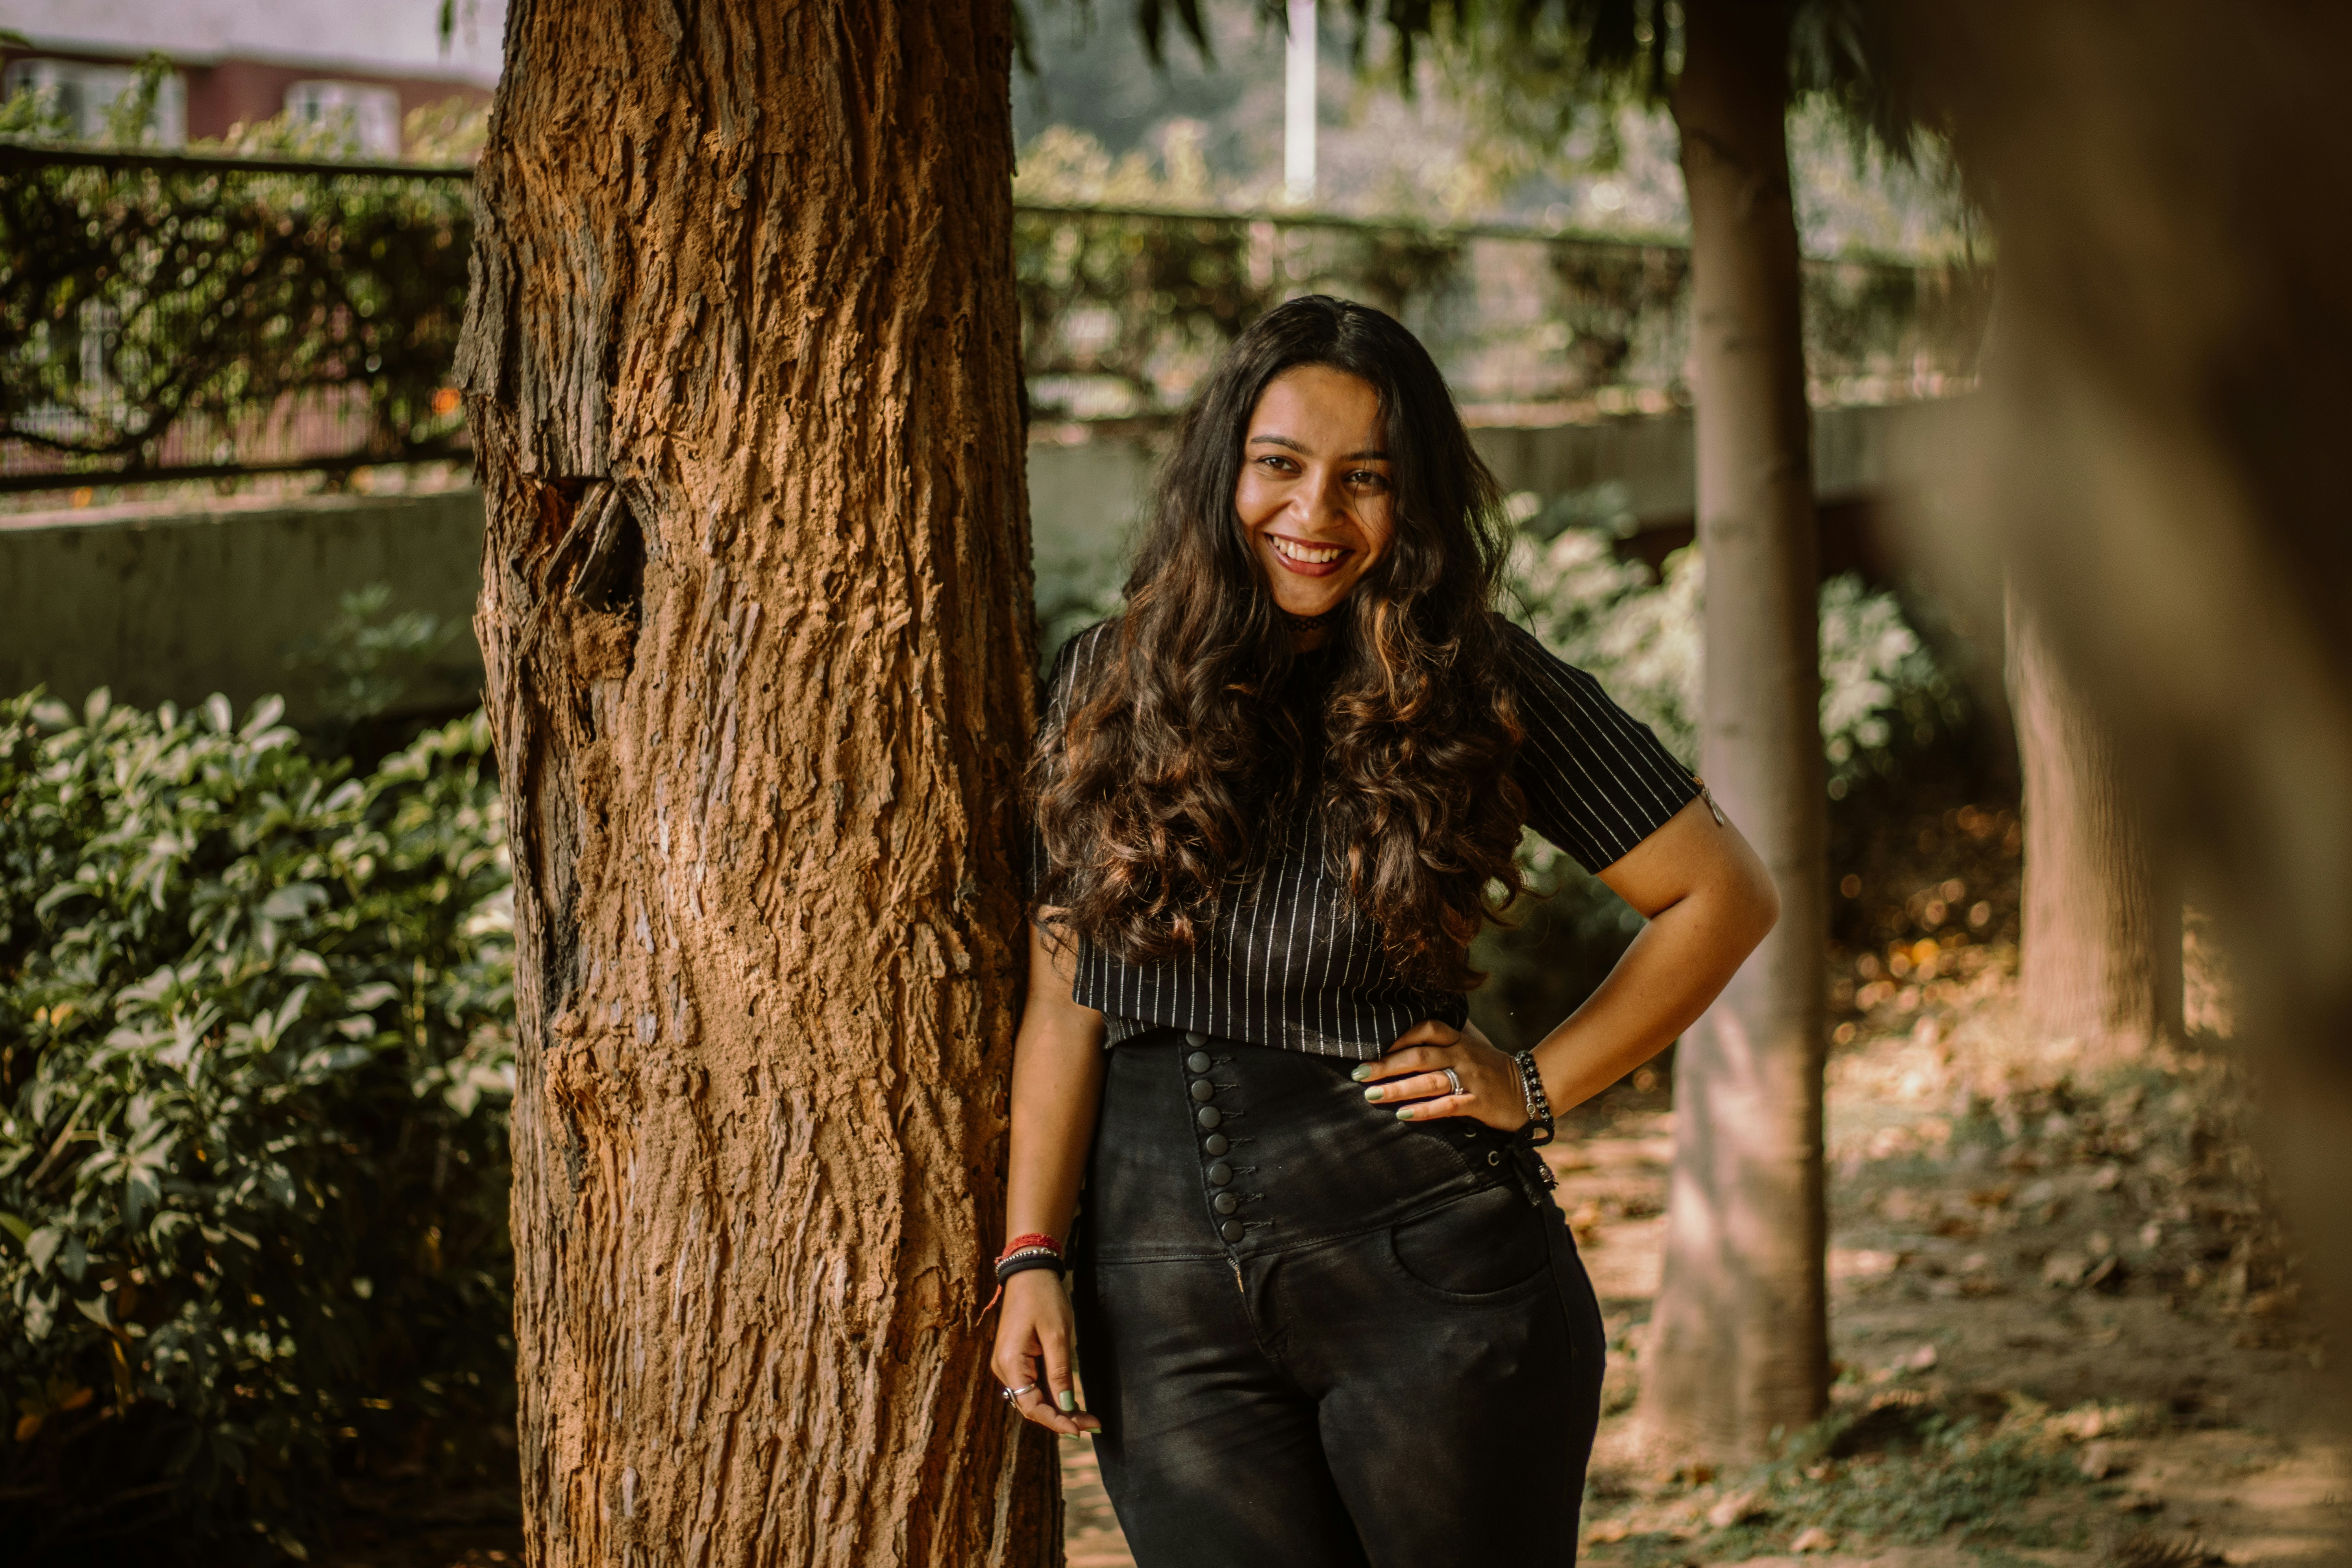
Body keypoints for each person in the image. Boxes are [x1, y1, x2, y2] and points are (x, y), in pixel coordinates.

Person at [988, 295, 1779, 1566]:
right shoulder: (1103, 680)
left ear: (1411, 503)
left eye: (1367, 480)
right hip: (1161, 1301)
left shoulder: (1479, 680)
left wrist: (1533, 1083)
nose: (1316, 516)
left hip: (1429, 1282)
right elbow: (1063, 1002)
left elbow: (1725, 893)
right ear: (1222, 471)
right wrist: (1031, 1253)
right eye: (1282, 468)